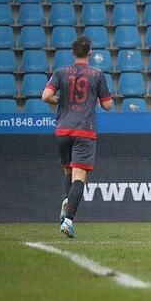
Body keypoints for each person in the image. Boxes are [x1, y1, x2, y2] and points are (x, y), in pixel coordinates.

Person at [41, 36, 113, 238]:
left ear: (73, 53)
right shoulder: (97, 74)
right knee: (80, 177)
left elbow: (46, 96)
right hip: (84, 130)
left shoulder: (60, 72)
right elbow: (108, 105)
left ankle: (66, 200)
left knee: (68, 172)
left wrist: (62, 100)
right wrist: (94, 98)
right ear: (90, 52)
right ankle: (69, 220)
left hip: (63, 129)